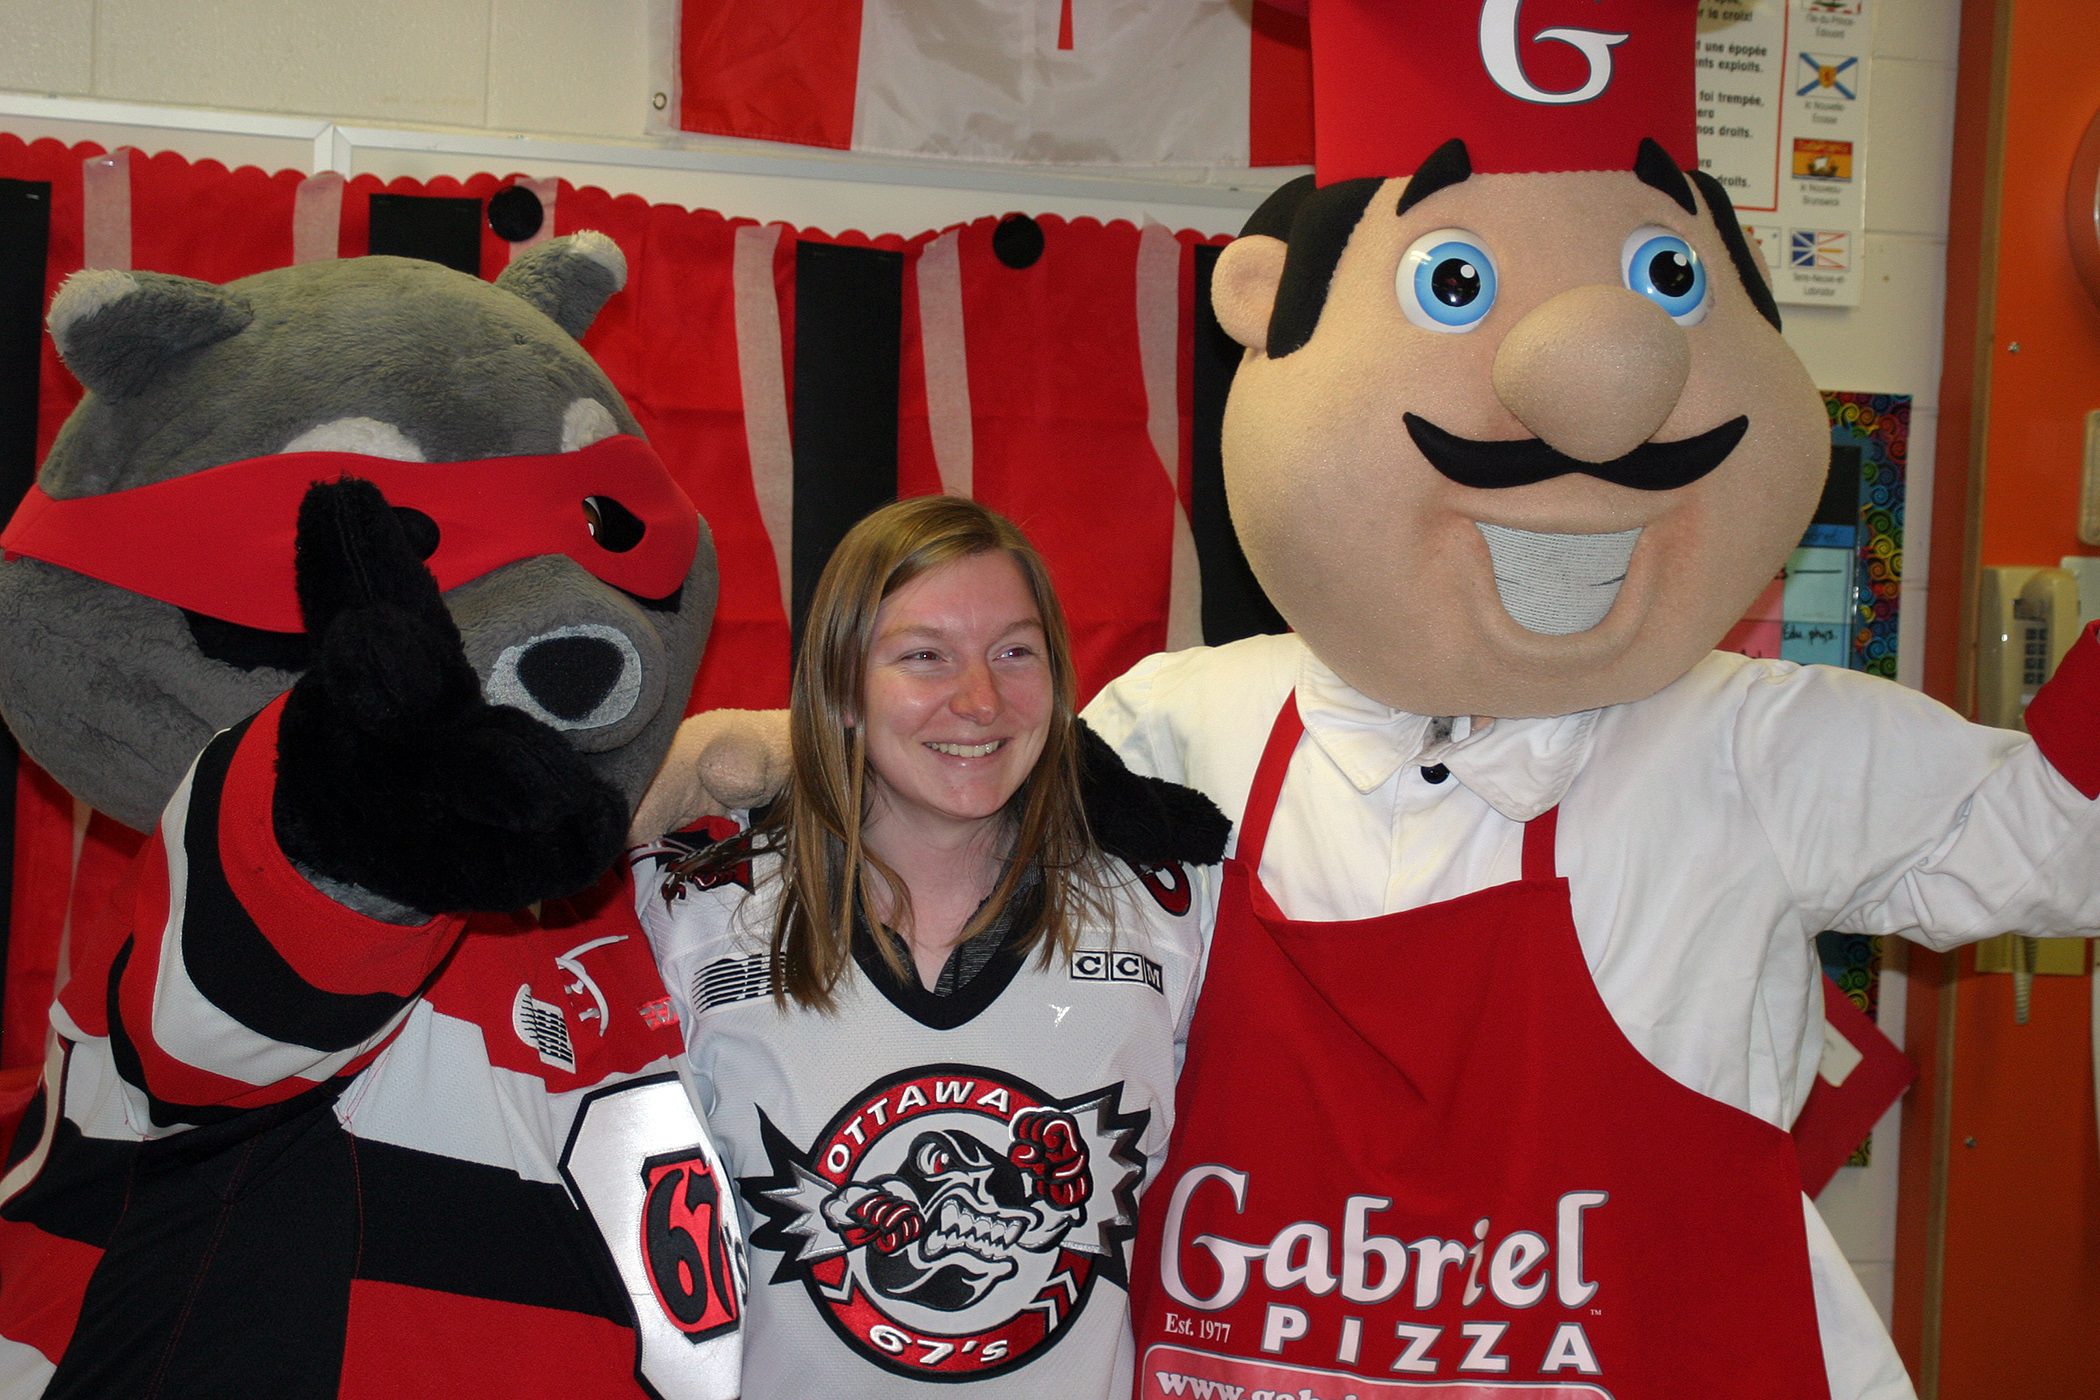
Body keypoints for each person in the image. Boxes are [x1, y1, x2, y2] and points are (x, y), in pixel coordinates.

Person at [632, 495, 1225, 1398]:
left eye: (1014, 653)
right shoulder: (691, 909)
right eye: (924, 657)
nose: (980, 700)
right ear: (841, 684)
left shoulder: (1172, 906)